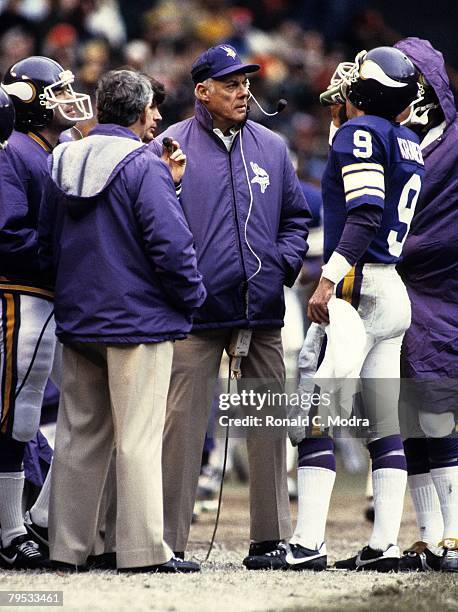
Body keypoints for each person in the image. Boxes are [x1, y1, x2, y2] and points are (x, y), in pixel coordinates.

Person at [253, 46, 425, 572]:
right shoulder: (408, 141)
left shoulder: (362, 135)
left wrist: (327, 280)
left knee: (312, 413)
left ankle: (307, 543)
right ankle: (385, 544)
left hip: (355, 285)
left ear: (369, 88)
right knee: (382, 420)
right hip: (390, 287)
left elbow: (366, 210)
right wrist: (346, 125)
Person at [38, 69, 206, 573]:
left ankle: (68, 548)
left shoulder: (62, 159)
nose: (157, 117)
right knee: (137, 439)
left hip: (78, 319)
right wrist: (192, 297)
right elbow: (171, 248)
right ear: (137, 113)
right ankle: (141, 552)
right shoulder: (143, 165)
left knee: (78, 436)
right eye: (152, 109)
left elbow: (48, 241)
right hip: (138, 323)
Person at [158, 44, 311, 568]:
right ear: (202, 91)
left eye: (246, 82)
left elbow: (296, 218)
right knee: (181, 426)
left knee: (267, 424)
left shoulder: (271, 146)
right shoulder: (168, 144)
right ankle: (167, 541)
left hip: (261, 308)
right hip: (195, 312)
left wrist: (280, 266)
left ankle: (270, 540)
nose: (243, 90)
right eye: (230, 83)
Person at [0, 56, 92, 569]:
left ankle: (35, 515)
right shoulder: (14, 151)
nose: (65, 99)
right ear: (27, 97)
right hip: (23, 291)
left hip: (52, 296)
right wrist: (62, 251)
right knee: (18, 413)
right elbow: (8, 233)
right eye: (54, 90)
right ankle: (11, 530)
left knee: (82, 405)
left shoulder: (51, 149)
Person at [392, 38, 458, 573]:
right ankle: (429, 534)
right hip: (396, 290)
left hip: (443, 293)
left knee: (440, 412)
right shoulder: (392, 137)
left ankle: (455, 534)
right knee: (406, 415)